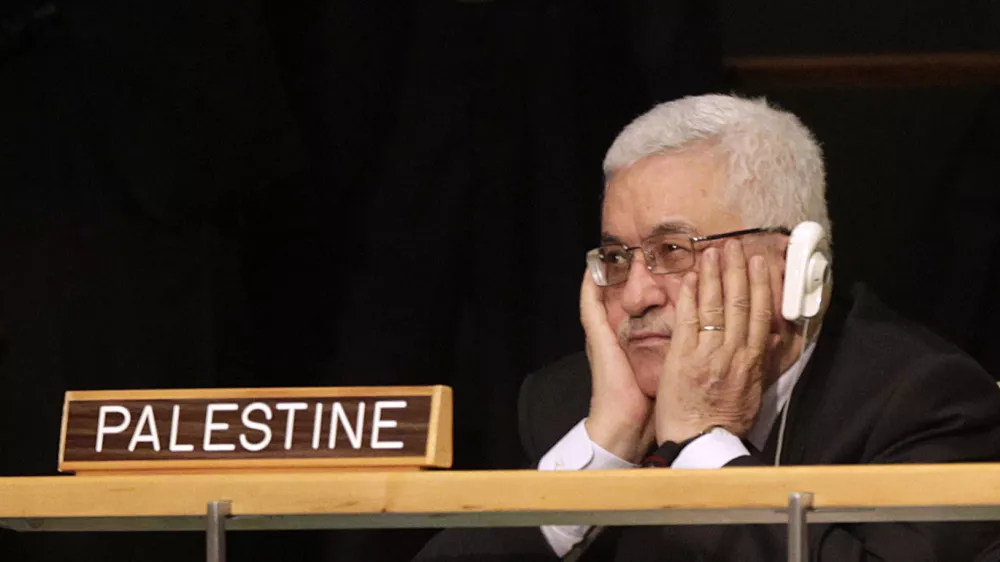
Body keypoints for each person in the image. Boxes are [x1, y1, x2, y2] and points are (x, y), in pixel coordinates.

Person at [413, 94, 1000, 561]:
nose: (637, 294)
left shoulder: (925, 401)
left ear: (796, 266)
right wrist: (604, 451)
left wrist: (698, 446)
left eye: (673, 249)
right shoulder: (566, 401)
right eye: (617, 258)